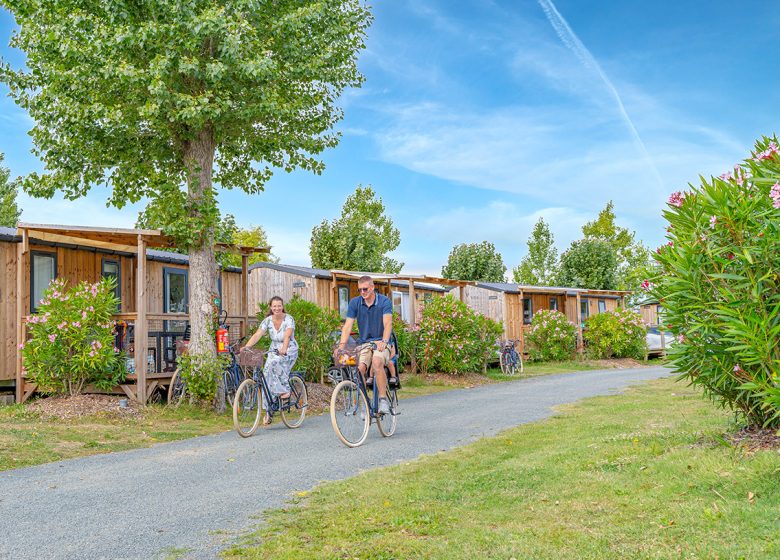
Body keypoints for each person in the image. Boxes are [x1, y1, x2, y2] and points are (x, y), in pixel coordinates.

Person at [336, 276, 393, 414]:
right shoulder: (355, 303)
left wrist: (384, 342)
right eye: (360, 289)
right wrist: (341, 347)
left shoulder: (384, 301)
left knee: (377, 361)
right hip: (365, 343)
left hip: (382, 342)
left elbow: (388, 324)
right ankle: (363, 402)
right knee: (359, 368)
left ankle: (382, 399)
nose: (362, 292)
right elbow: (348, 326)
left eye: (365, 289)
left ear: (372, 287)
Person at [242, 296, 298, 424]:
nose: (277, 308)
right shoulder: (267, 321)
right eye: (274, 306)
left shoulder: (289, 319)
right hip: (274, 350)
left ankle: (285, 391)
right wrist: (247, 347)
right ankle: (269, 411)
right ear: (271, 307)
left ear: (282, 306)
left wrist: (284, 348)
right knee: (266, 374)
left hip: (288, 349)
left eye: (279, 306)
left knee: (275, 364)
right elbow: (257, 335)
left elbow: (288, 335)